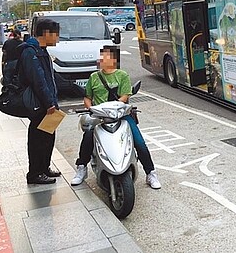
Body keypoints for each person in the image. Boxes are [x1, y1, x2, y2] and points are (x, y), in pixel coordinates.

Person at [71, 45, 161, 189]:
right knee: (88, 137)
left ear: (114, 59)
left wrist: (114, 108)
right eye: (102, 56)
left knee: (139, 142)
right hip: (99, 117)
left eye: (106, 56)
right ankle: (81, 168)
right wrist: (91, 108)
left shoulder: (122, 75)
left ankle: (151, 173)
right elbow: (87, 97)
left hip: (121, 115)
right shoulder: (94, 77)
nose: (103, 59)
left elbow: (125, 96)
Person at [18, 18, 61, 185]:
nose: (57, 39)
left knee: (48, 136)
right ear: (47, 33)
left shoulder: (41, 50)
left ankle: (44, 167)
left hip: (48, 103)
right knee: (37, 139)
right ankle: (35, 173)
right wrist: (49, 102)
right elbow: (38, 80)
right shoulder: (30, 51)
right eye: (56, 35)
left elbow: (49, 78)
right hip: (40, 104)